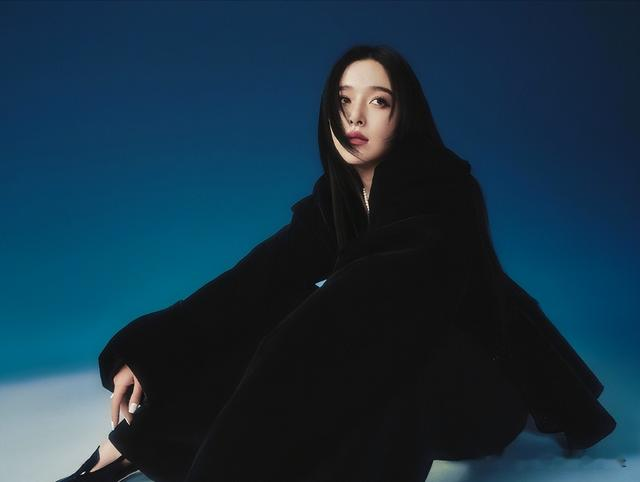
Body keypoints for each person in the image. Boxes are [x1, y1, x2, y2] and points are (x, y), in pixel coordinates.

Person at [55, 44, 616, 482]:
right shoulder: (341, 196)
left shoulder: (442, 192)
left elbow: (360, 304)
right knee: (280, 312)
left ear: (404, 114)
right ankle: (134, 447)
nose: (356, 117)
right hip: (394, 374)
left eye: (378, 101)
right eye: (344, 101)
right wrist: (148, 354)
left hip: (474, 392)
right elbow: (255, 282)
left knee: (362, 344)